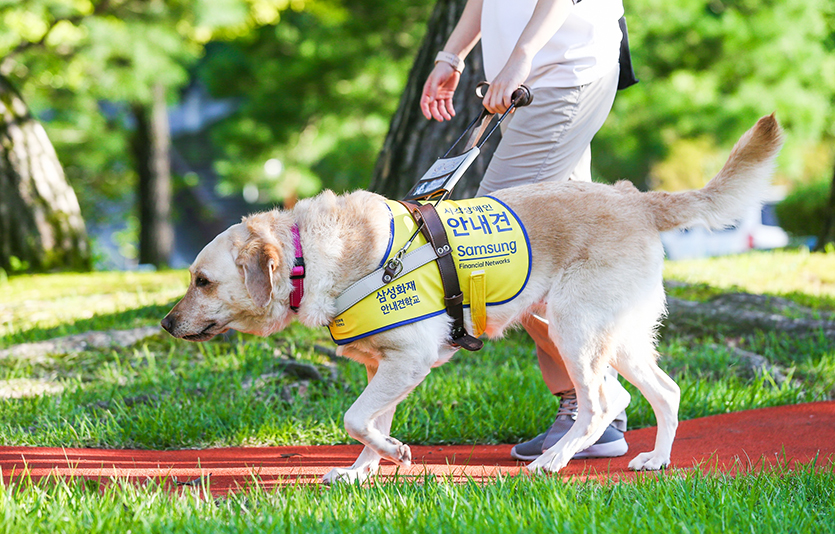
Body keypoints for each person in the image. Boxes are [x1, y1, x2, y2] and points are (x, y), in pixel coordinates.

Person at [420, 0, 632, 461]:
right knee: (566, 253)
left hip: (560, 76)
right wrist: (452, 57)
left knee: (497, 243)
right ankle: (596, 407)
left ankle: (594, 402)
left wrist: (522, 55)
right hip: (533, 83)